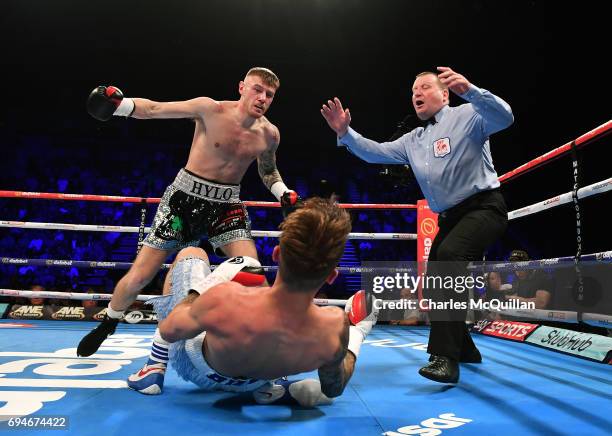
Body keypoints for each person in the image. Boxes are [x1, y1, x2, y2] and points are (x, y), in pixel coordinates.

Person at [77, 68, 302, 357]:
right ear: (242, 87)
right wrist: (120, 106)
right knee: (140, 275)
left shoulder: (270, 135)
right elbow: (156, 109)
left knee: (251, 269)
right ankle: (108, 322)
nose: (262, 98)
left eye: (269, 95)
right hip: (183, 201)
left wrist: (282, 191)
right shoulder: (210, 109)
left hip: (227, 204)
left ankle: (250, 339)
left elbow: (268, 171)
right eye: (257, 89)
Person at [321, 66, 513, 383]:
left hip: (484, 207)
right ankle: (464, 348)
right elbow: (375, 152)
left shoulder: (469, 114)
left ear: (445, 93)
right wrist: (345, 133)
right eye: (413, 92)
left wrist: (471, 89)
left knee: (450, 258)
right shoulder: (415, 138)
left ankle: (444, 358)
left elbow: (505, 117)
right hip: (450, 217)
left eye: (424, 87)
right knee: (436, 275)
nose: (417, 94)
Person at [127, 198, 379, 407]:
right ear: (332, 276)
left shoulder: (225, 298)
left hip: (196, 368)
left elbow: (170, 329)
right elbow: (333, 388)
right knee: (253, 275)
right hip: (258, 381)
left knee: (192, 254)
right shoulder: (334, 327)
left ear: (277, 254)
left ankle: (153, 369)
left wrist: (213, 281)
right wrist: (358, 332)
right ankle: (275, 389)